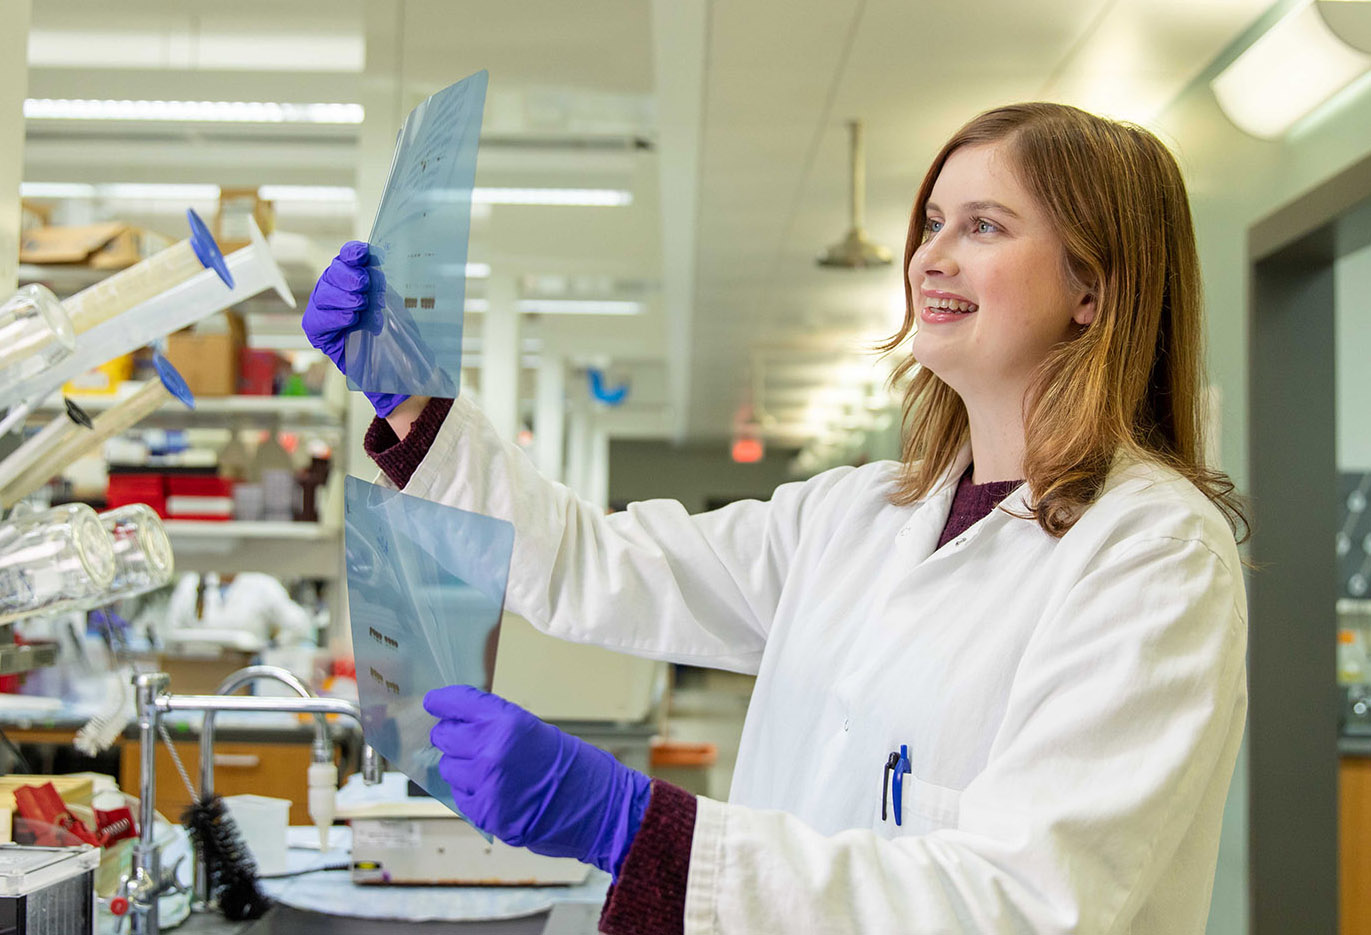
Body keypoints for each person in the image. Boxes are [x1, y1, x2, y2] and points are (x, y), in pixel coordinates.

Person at [304, 102, 1250, 934]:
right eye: (930, 222)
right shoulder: (858, 511)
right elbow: (601, 564)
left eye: (985, 225)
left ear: (1093, 289)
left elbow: (1025, 902)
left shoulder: (1152, 555)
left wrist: (638, 827)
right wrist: (413, 406)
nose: (931, 254)